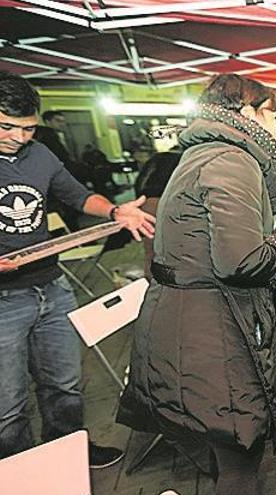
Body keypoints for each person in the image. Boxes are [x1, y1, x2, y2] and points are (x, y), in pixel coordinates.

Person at [116, 74, 276, 494]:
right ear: (248, 114)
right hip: (207, 332)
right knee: (239, 460)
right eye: (273, 116)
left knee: (224, 452)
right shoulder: (231, 159)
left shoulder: (207, 152)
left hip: (189, 323)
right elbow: (243, 260)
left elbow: (243, 228)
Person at [0, 71, 155, 466]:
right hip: (4, 300)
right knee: (7, 402)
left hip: (50, 286)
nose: (19, 137)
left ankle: (66, 454)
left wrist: (116, 210)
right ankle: (17, 471)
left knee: (64, 385)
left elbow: (78, 195)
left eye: (28, 128)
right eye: (7, 127)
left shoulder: (39, 154)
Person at [34, 110, 88, 229]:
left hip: (64, 175)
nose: (62, 124)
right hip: (54, 177)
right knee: (64, 211)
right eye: (58, 121)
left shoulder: (65, 135)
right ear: (48, 121)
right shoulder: (46, 135)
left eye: (63, 121)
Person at [133, 149, 182, 278]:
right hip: (176, 281)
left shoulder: (145, 205)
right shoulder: (170, 206)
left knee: (152, 252)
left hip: (155, 278)